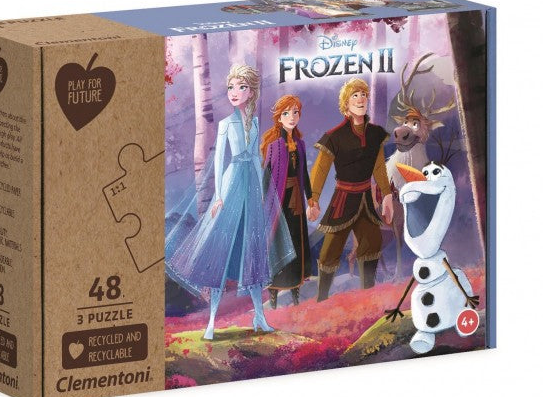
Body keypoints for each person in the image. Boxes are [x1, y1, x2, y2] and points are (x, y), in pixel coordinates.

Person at [165, 65, 293, 340]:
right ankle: (211, 321)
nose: (234, 92)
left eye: (241, 87)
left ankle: (259, 316)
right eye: (231, 87)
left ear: (251, 92)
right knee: (219, 255)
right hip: (232, 183)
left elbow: (257, 160)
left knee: (253, 252)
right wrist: (220, 196)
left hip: (251, 188)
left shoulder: (255, 123)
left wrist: (261, 192)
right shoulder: (225, 124)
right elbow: (219, 161)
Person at [308, 78, 393, 301]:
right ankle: (322, 299)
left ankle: (368, 296)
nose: (361, 99)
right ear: (346, 103)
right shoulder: (334, 136)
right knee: (329, 250)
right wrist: (313, 200)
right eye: (355, 95)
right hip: (343, 199)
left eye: (363, 94)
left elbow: (379, 167)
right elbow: (320, 170)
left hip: (365, 199)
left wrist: (386, 195)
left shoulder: (375, 133)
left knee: (372, 243)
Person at [260, 95, 313, 308]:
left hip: (297, 202)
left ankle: (296, 292)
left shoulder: (300, 145)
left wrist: (311, 197)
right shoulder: (274, 147)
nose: (291, 117)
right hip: (279, 205)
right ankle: (273, 294)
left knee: (297, 244)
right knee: (279, 245)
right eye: (286, 113)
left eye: (295, 112)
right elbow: (266, 176)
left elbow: (304, 174)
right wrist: (264, 204)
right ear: (279, 118)